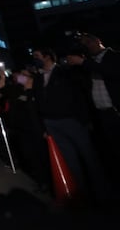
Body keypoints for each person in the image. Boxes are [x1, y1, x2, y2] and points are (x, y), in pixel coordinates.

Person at [31, 46, 109, 204]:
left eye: (37, 55)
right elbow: (38, 103)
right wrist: (44, 126)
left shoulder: (65, 72)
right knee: (70, 161)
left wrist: (85, 120)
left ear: (47, 57)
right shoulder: (38, 78)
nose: (35, 59)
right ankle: (81, 196)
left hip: (72, 121)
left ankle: (103, 194)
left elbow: (80, 96)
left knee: (89, 157)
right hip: (51, 123)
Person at [66, 32, 120, 188]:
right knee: (109, 151)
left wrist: (83, 63)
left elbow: (112, 72)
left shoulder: (114, 57)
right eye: (84, 45)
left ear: (98, 41)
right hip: (100, 114)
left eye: (88, 43)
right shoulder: (88, 63)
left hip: (115, 111)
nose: (87, 47)